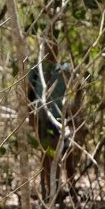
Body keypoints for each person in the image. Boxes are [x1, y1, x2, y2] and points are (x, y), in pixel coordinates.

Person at [28, 42, 76, 199]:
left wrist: (74, 111)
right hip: (42, 118)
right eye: (47, 50)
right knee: (47, 156)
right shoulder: (36, 71)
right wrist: (31, 117)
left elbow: (78, 86)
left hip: (61, 118)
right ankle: (51, 191)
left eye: (53, 49)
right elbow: (29, 94)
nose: (50, 53)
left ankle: (69, 188)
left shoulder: (65, 69)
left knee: (64, 155)